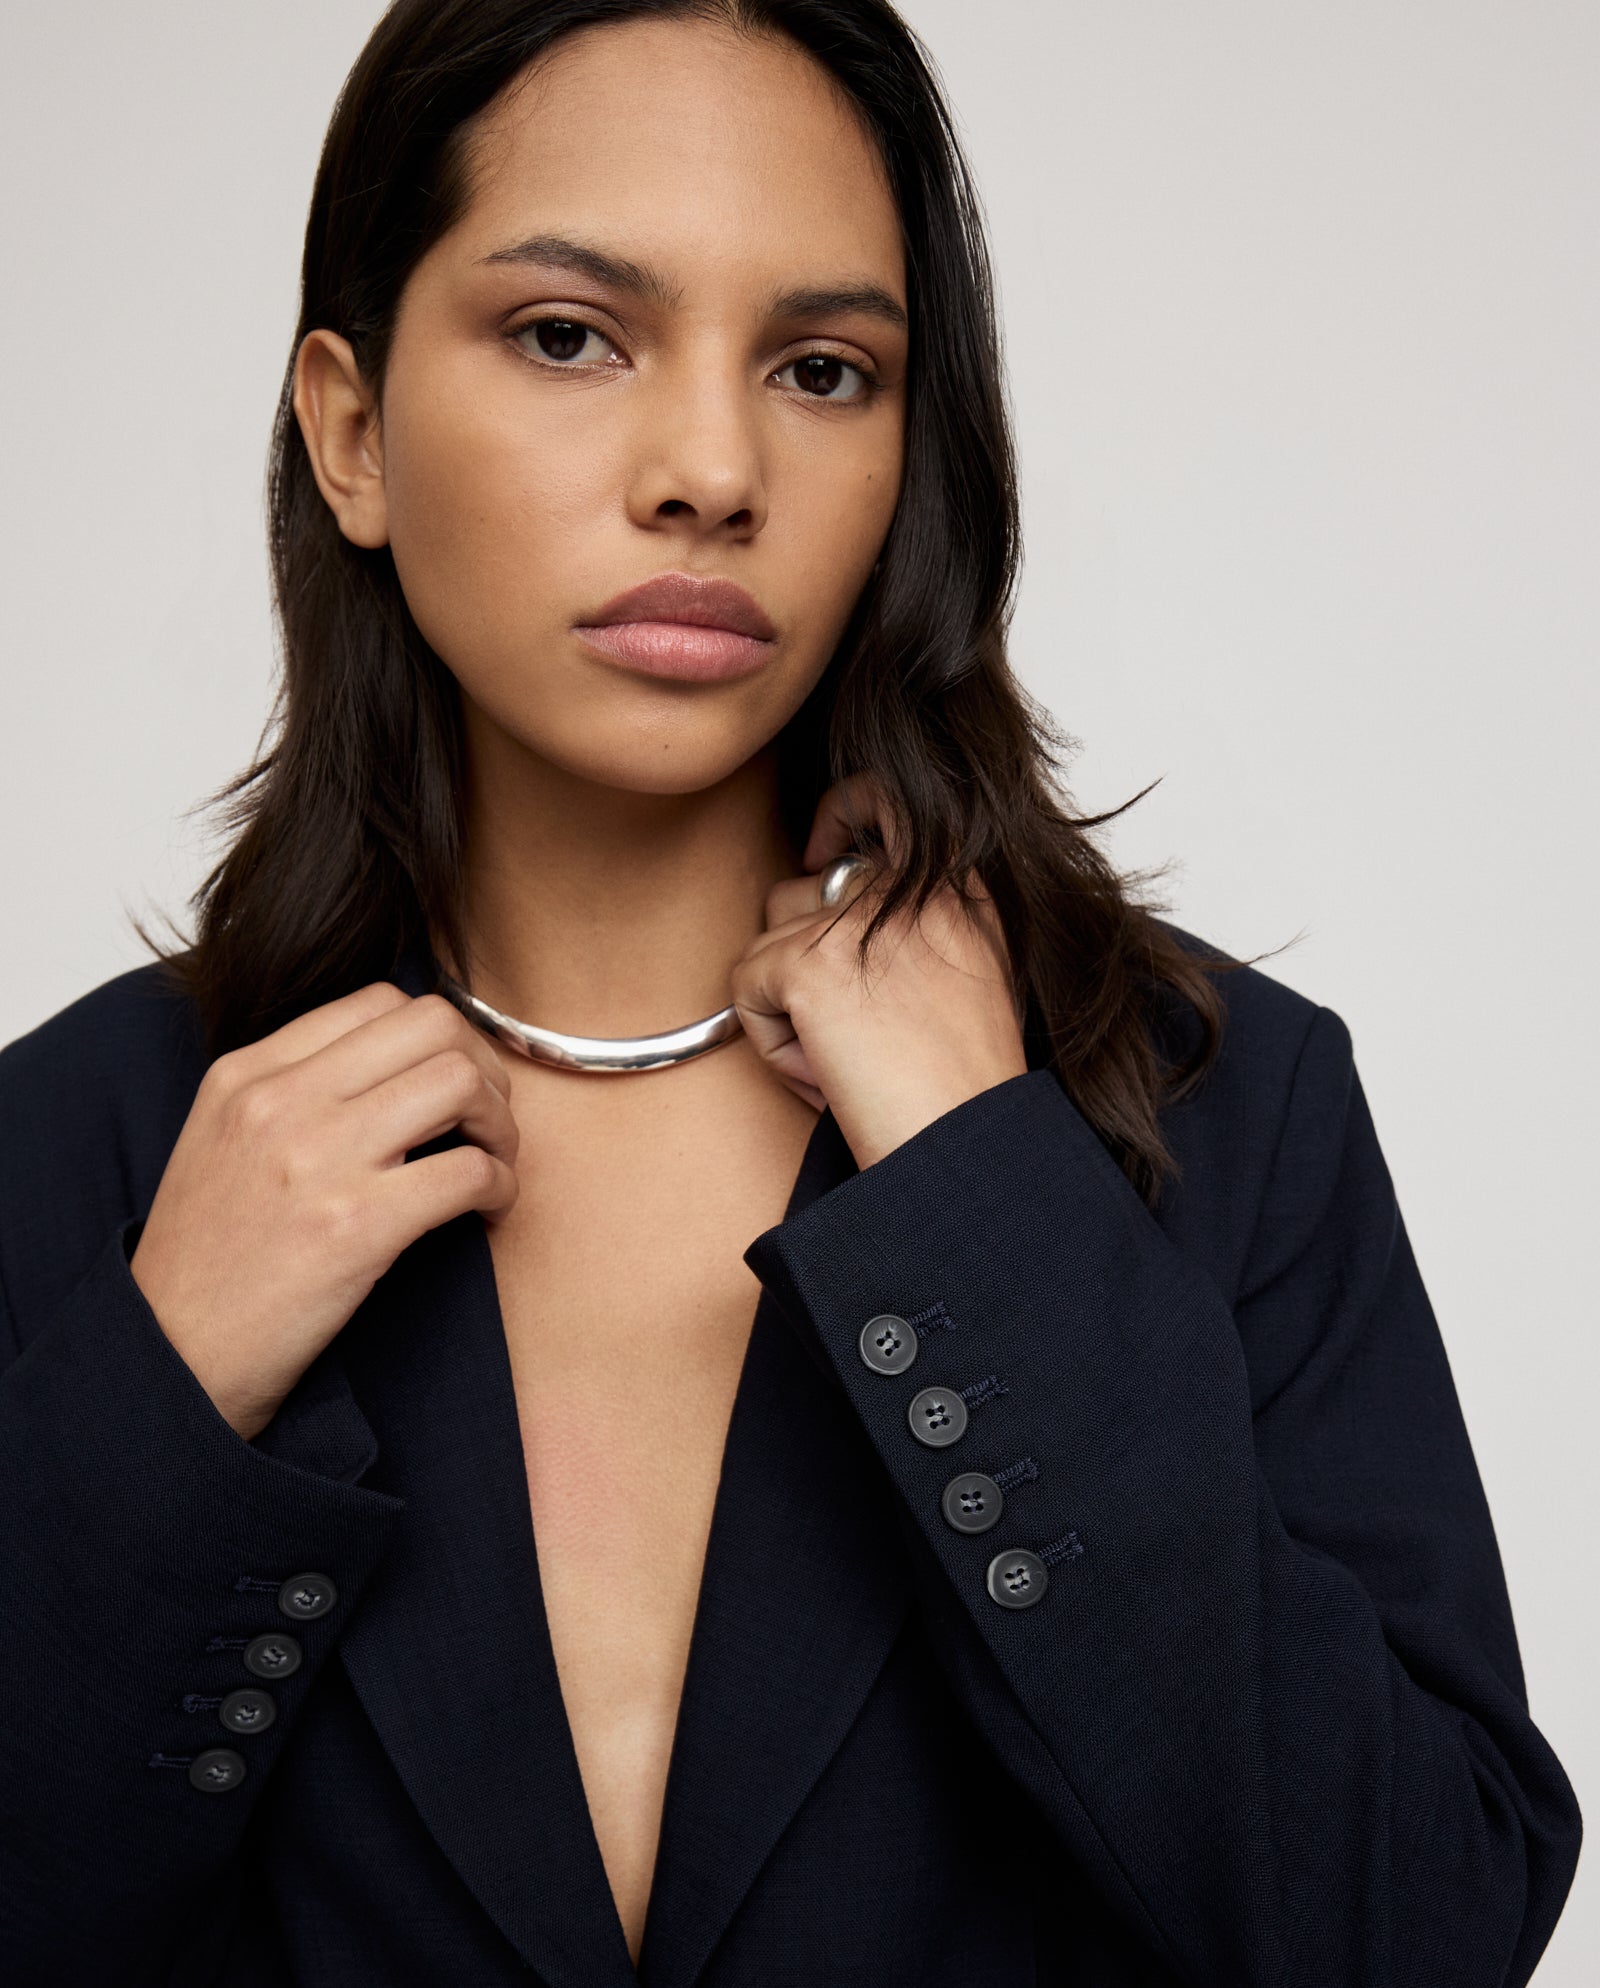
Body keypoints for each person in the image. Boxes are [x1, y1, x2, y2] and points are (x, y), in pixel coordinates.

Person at [0, 1, 1580, 1983]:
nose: (711, 467)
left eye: (822, 368)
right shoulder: (91, 1147)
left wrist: (985, 1205)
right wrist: (158, 1419)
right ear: (350, 430)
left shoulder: (1205, 1099)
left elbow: (1418, 1928)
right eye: (569, 334)